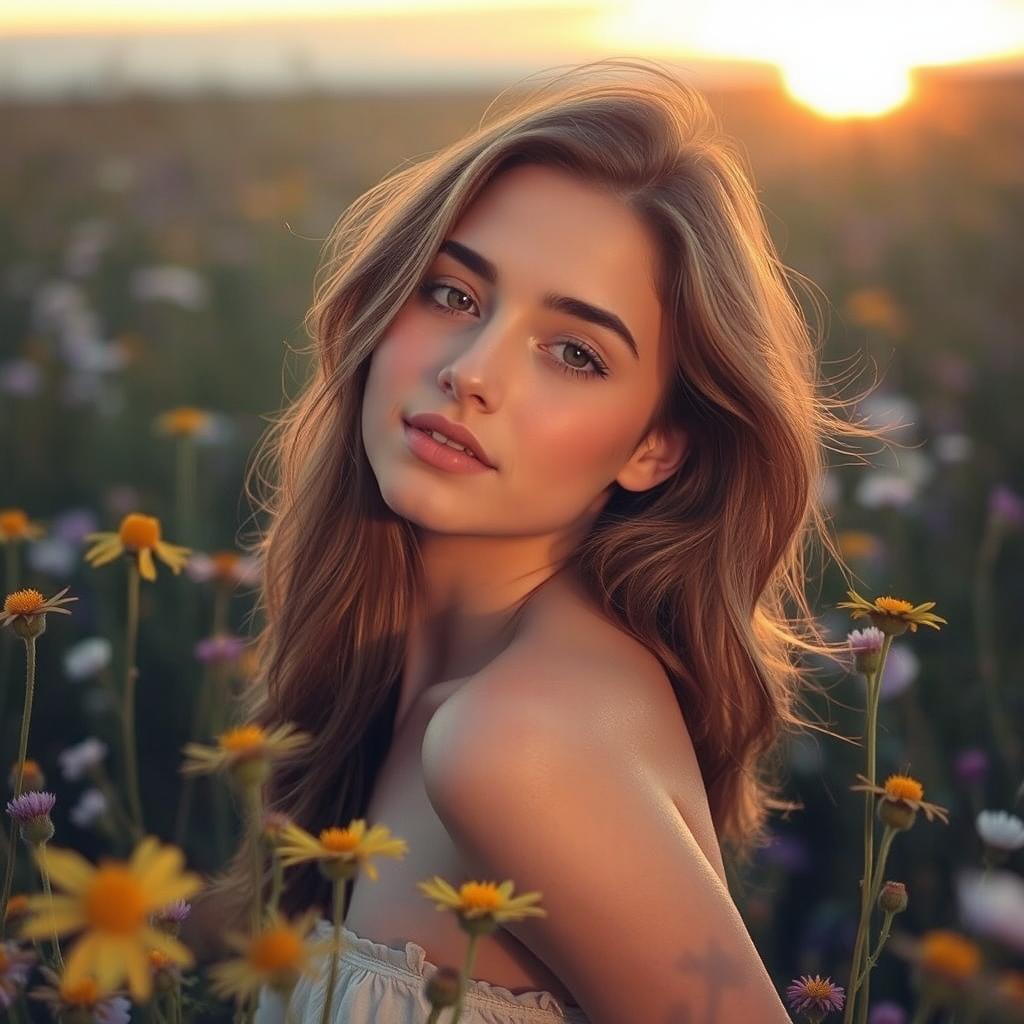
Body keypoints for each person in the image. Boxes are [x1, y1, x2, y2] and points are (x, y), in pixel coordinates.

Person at [187, 56, 878, 1023]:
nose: (472, 372)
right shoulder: (423, 688)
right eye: (454, 295)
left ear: (654, 446)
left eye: (574, 352)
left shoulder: (514, 742)